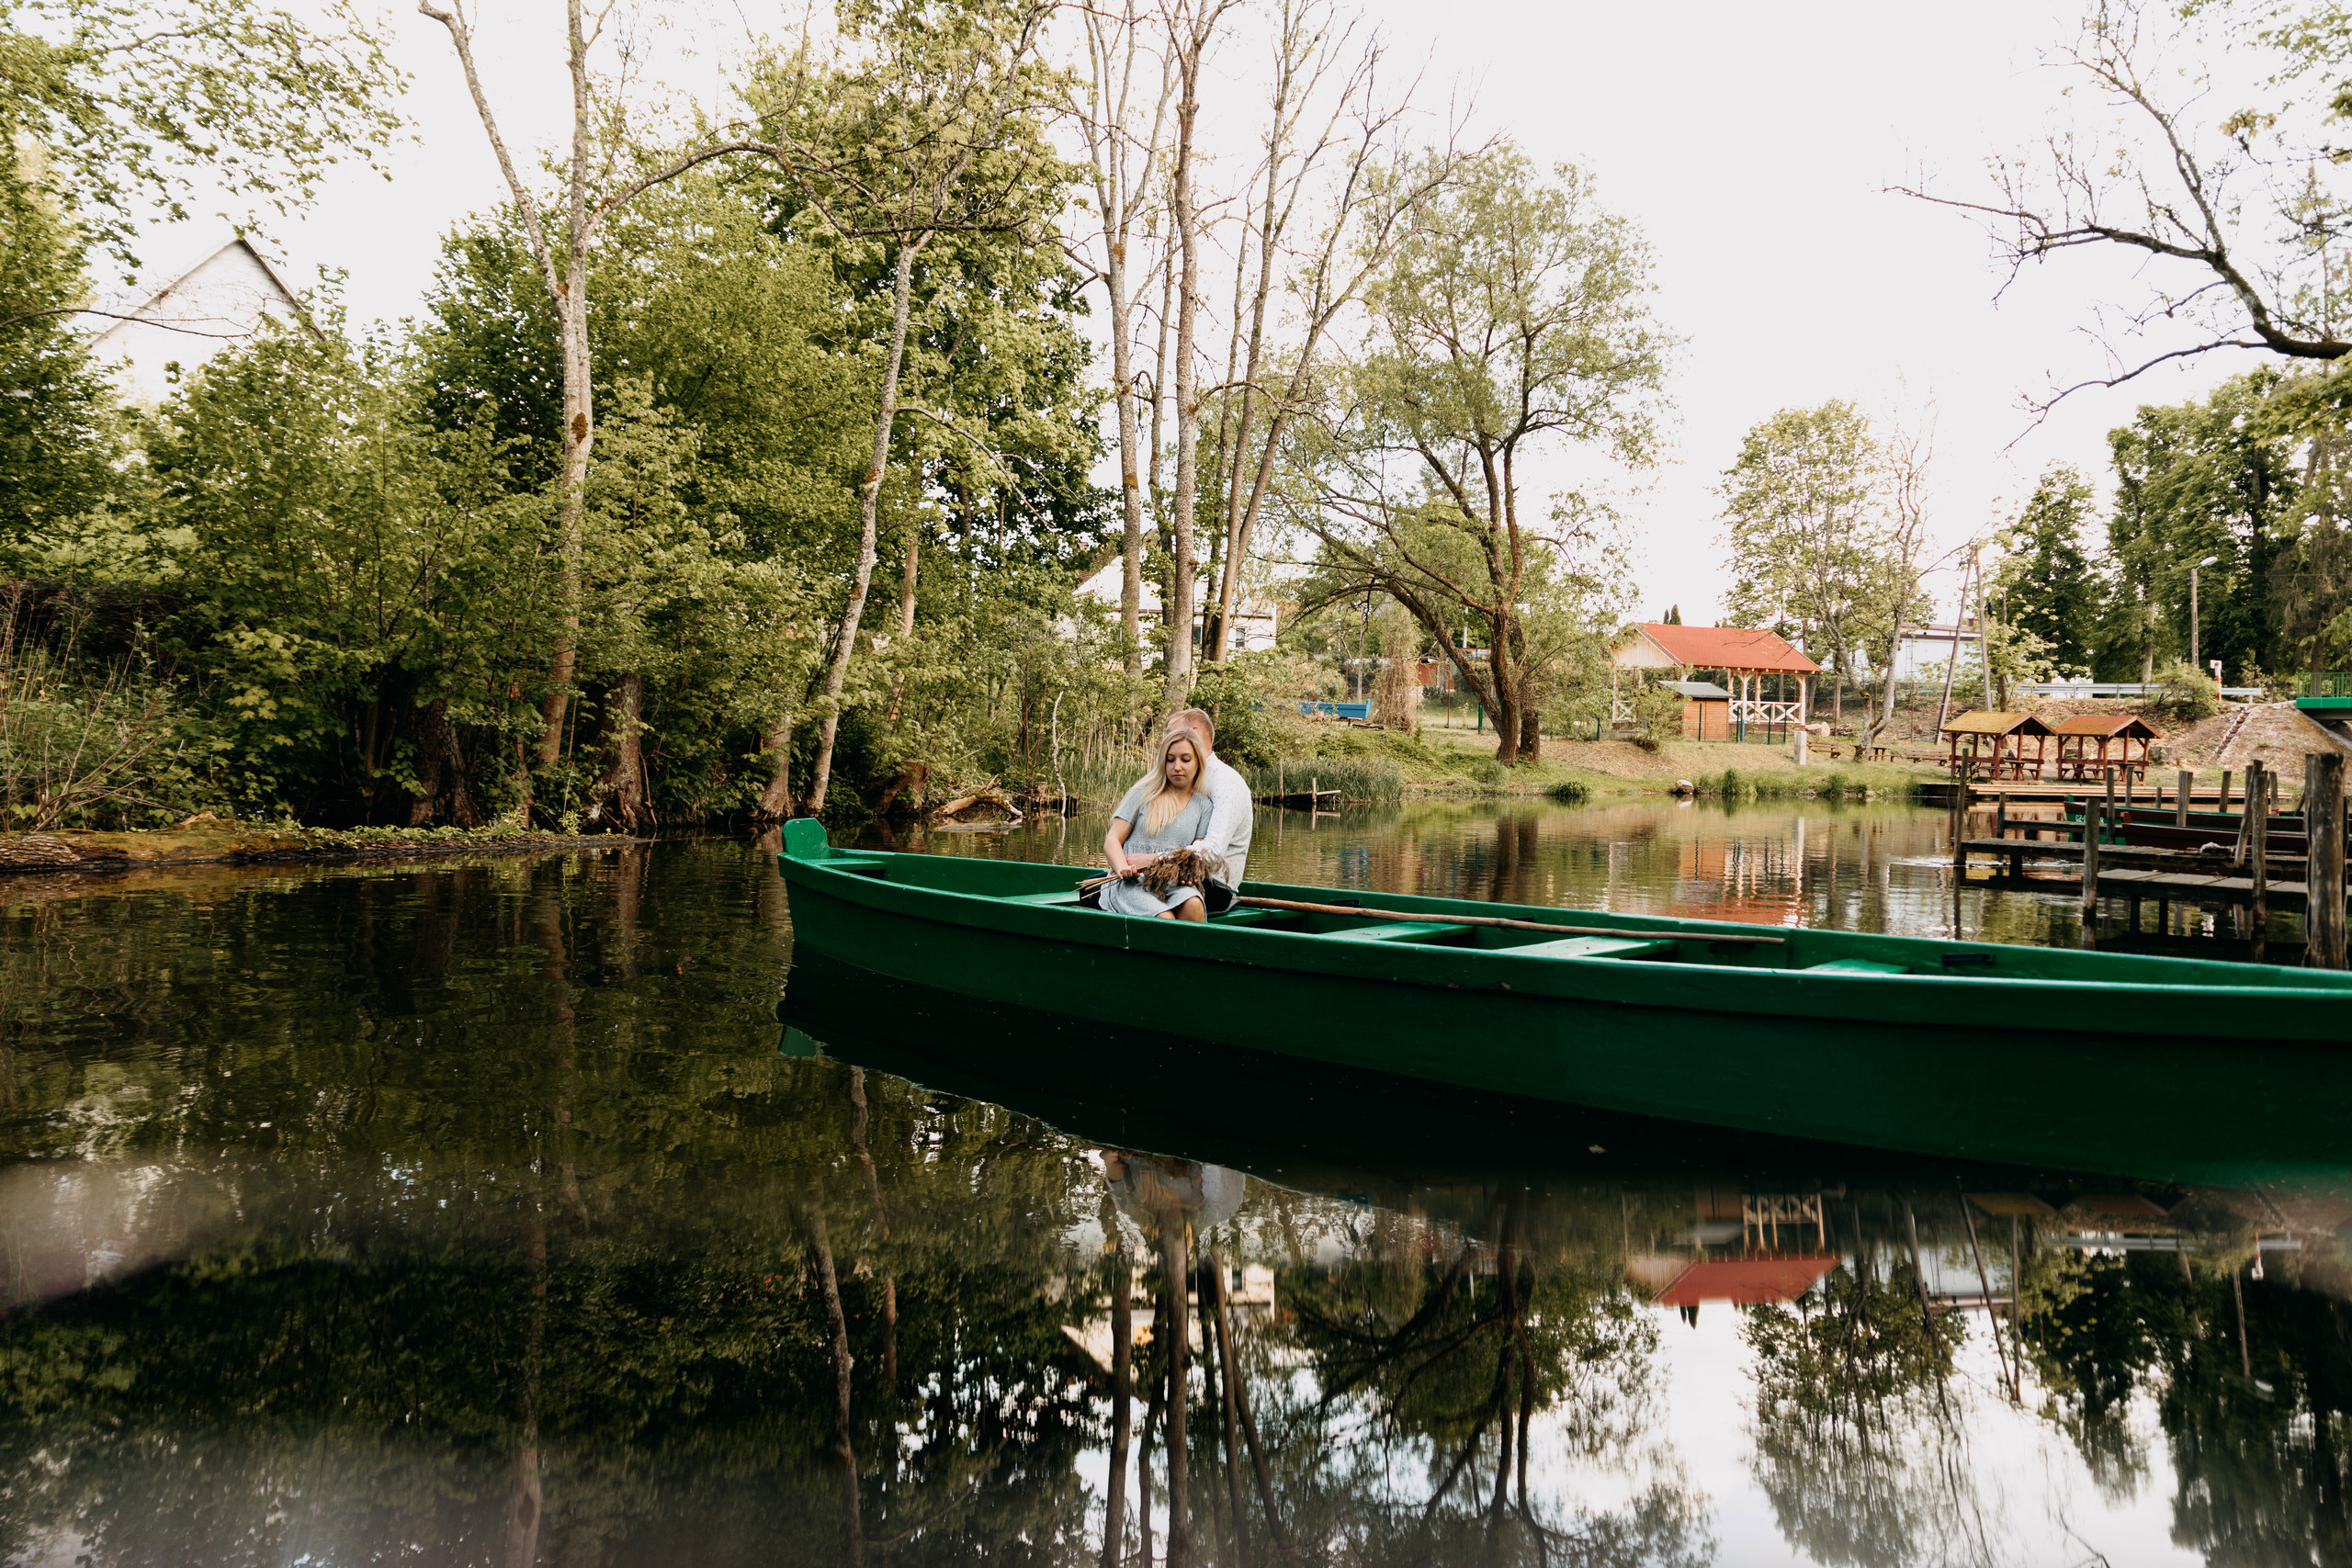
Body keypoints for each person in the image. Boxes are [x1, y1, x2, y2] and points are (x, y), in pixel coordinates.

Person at [1101, 728, 1217, 919]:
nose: (1177, 766)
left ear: (1198, 762)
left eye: (1185, 760)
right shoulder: (1143, 794)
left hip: (1173, 883)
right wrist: (1123, 868)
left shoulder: (1204, 806)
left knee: (1194, 905)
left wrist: (1190, 872)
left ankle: (1190, 950)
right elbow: (1112, 840)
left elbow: (1197, 853)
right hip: (1132, 884)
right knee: (1164, 917)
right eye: (1170, 760)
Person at [1165, 706, 1253, 886]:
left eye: (1170, 734)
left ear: (1193, 733)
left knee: (1097, 895)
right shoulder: (1182, 777)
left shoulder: (1225, 783)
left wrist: (1153, 859)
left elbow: (1212, 852)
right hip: (1176, 875)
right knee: (1096, 885)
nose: (1164, 742)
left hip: (1211, 886)